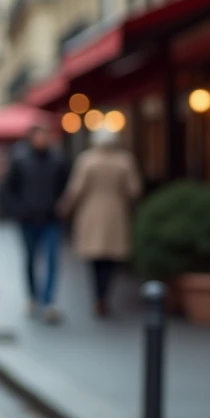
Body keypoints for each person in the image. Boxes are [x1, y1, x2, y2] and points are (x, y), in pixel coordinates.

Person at [57, 129, 142, 318]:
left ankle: (99, 296)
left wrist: (65, 207)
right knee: (111, 259)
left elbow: (76, 189)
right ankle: (105, 295)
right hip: (115, 213)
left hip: (91, 213)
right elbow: (134, 190)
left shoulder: (87, 160)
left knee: (95, 259)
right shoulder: (124, 161)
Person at [2, 125, 71, 323]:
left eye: (45, 135)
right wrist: (18, 211)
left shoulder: (58, 161)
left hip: (50, 220)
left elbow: (67, 187)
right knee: (31, 259)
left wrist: (62, 206)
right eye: (39, 136)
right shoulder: (20, 161)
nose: (42, 139)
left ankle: (48, 301)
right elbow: (8, 190)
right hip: (28, 220)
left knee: (51, 260)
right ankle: (33, 297)